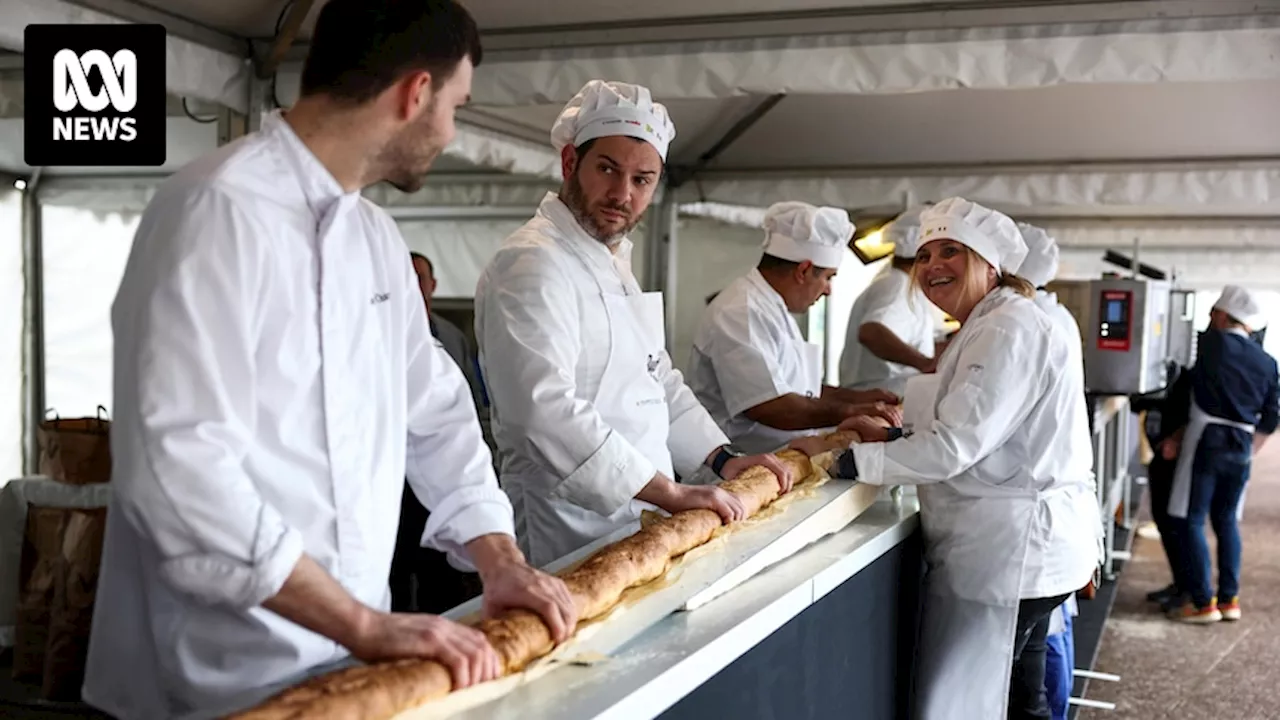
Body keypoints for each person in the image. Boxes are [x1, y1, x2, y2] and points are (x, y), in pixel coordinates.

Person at [83, 3, 577, 718]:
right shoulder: (214, 211)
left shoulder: (375, 238)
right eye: (455, 106)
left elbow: (435, 410)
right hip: (211, 678)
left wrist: (498, 560)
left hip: (352, 663)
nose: (451, 132)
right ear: (414, 94)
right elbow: (178, 468)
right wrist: (362, 623)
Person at [791, 197, 1102, 720]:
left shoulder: (1006, 328)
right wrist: (893, 440)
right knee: (1022, 696)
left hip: (1012, 548)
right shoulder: (993, 321)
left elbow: (955, 447)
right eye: (926, 254)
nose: (933, 265)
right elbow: (978, 428)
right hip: (1018, 545)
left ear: (990, 264)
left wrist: (844, 462)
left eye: (951, 251)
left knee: (985, 700)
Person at [475, 80, 793, 568]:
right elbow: (542, 410)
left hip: (642, 514)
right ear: (569, 164)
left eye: (642, 180)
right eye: (607, 169)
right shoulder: (533, 262)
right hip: (567, 523)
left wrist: (723, 460)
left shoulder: (611, 260)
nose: (622, 193)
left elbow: (657, 378)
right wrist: (668, 492)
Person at [688, 201, 902, 454]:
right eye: (828, 277)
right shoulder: (740, 310)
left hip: (778, 460)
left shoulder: (773, 308)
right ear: (804, 270)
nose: (828, 290)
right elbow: (770, 405)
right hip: (737, 470)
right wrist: (850, 411)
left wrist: (859, 398)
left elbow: (797, 389)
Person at [1161, 285, 1278, 624]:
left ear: (1225, 316)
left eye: (1213, 313)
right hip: (1242, 444)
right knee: (1227, 521)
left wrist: (1177, 436)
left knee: (1190, 517)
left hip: (1206, 438)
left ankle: (1201, 602)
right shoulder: (1268, 362)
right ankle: (1229, 599)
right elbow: (1272, 416)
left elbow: (1190, 387)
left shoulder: (1211, 343)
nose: (1209, 319)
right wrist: (1250, 450)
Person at [389, 251, 493, 614]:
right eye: (409, 276)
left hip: (444, 479)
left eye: (422, 278)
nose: (416, 286)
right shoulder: (382, 326)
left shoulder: (451, 335)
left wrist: (497, 555)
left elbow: (459, 408)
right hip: (394, 484)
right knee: (395, 571)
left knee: (442, 575)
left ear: (433, 285)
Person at [838, 207, 939, 396]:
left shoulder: (903, 285)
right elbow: (871, 332)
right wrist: (924, 363)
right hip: (881, 394)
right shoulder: (896, 285)